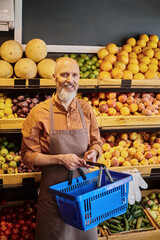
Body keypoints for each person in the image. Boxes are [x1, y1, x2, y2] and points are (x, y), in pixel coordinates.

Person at [21, 57, 102, 240]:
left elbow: (97, 142)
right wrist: (59, 159)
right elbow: (27, 155)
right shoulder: (39, 113)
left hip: (84, 195)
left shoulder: (86, 109)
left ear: (79, 78)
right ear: (54, 78)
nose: (69, 80)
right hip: (53, 195)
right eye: (64, 74)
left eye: (74, 75)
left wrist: (94, 152)